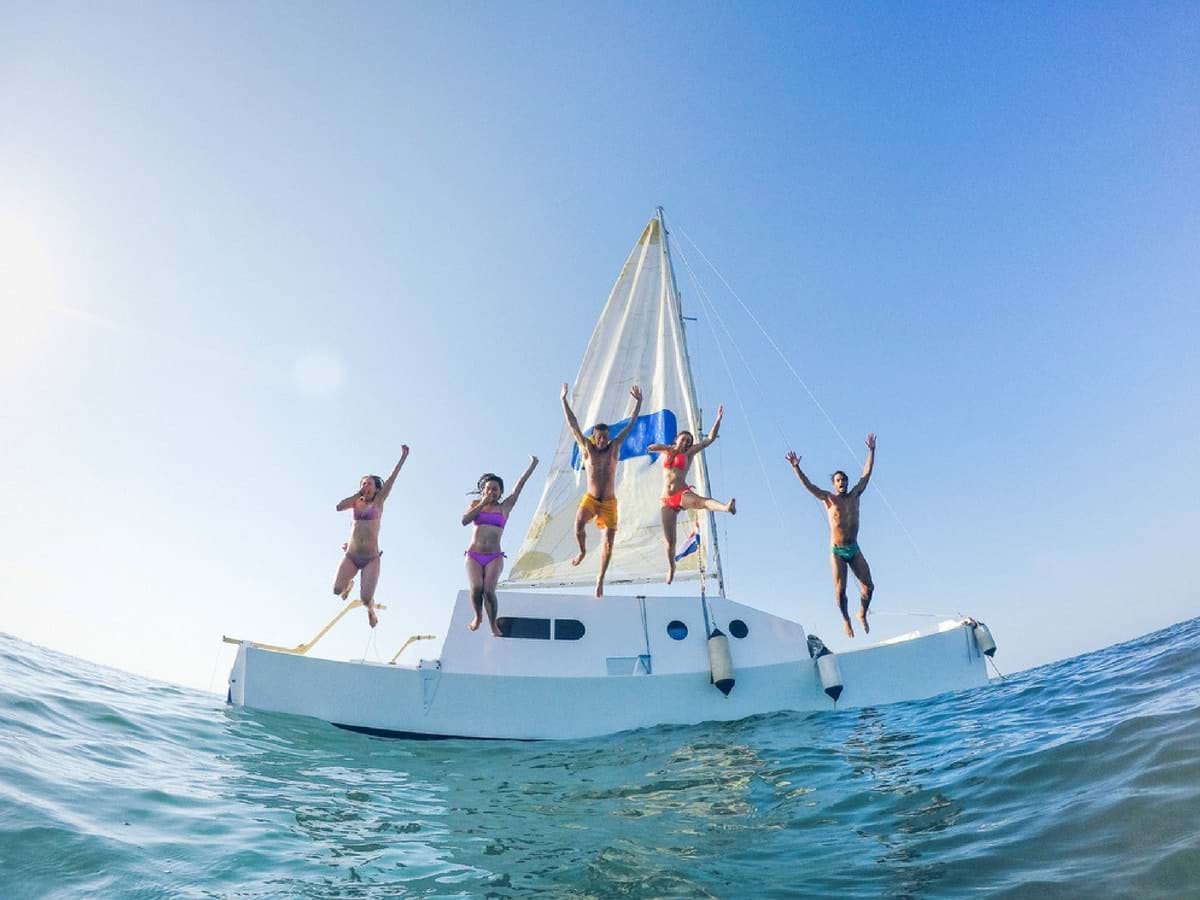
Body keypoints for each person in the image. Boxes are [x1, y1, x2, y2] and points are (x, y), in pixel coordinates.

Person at [786, 434, 876, 638]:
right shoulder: (828, 498)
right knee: (840, 591)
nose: (842, 482)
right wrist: (796, 468)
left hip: (854, 548)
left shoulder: (855, 495)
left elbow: (866, 474)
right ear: (834, 484)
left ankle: (862, 613)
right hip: (837, 551)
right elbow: (809, 486)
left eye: (844, 479)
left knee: (869, 587)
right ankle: (846, 620)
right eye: (838, 480)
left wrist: (871, 451)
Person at [560, 381, 643, 597]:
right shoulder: (587, 448)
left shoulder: (614, 447)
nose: (603, 440)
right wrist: (563, 401)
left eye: (605, 436)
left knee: (609, 542)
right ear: (594, 437)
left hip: (608, 502)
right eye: (599, 437)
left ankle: (600, 579)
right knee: (578, 524)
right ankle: (582, 551)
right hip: (591, 499)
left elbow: (631, 425)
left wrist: (639, 403)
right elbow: (573, 425)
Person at [647, 405, 736, 584]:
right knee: (670, 542)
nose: (687, 443)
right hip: (666, 500)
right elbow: (651, 447)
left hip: (681, 493)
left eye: (689, 440)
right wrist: (668, 448)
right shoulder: (668, 450)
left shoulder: (689, 453)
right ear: (677, 439)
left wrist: (717, 420)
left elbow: (709, 439)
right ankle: (671, 567)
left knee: (701, 502)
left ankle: (725, 508)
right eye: (684, 439)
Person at [332, 446, 409, 628]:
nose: (365, 486)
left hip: (370, 559)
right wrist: (357, 495)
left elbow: (391, 479)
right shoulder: (355, 502)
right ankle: (349, 584)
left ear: (376, 489)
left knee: (366, 598)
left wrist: (402, 458)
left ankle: (371, 612)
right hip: (351, 555)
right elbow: (338, 507)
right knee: (337, 590)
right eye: (363, 484)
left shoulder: (379, 502)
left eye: (369, 484)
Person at [461, 457, 539, 635]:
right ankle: (477, 617)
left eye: (495, 489)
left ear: (500, 492)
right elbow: (464, 521)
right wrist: (481, 503)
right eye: (488, 489)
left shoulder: (505, 507)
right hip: (473, 555)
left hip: (494, 556)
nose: (491, 492)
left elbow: (520, 484)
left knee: (488, 590)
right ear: (483, 491)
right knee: (476, 588)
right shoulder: (475, 505)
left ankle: (492, 624)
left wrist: (532, 465)